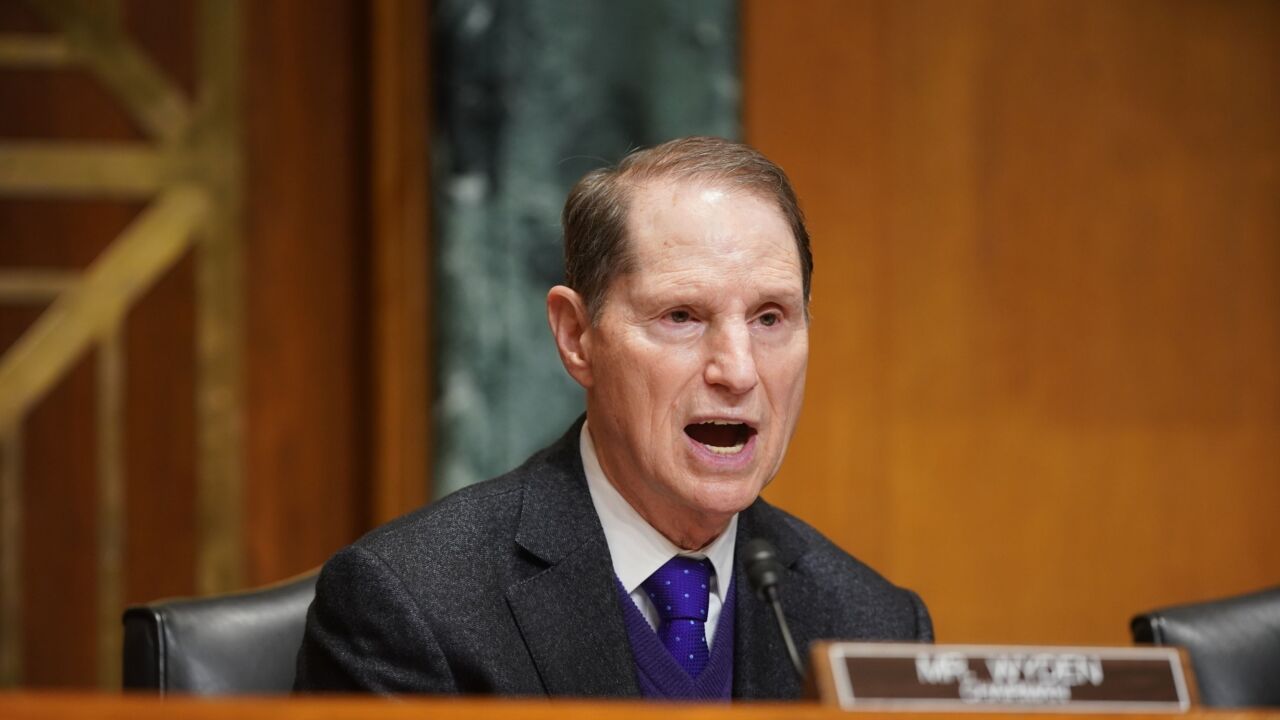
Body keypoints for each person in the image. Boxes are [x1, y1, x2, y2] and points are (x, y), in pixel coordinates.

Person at [294, 137, 932, 700]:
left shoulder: (874, 626)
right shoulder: (413, 602)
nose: (738, 371)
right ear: (577, 336)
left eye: (770, 318)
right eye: (682, 316)